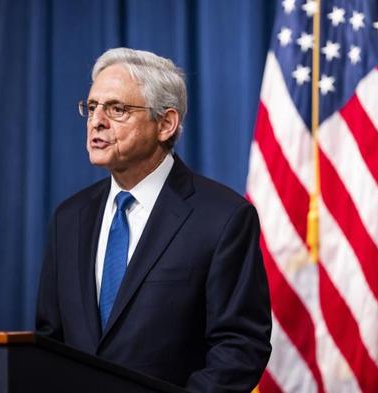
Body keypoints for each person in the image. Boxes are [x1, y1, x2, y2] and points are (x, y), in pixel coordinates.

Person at [36, 47, 271, 392]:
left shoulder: (223, 218)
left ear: (165, 124)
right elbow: (48, 340)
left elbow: (240, 347)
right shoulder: (69, 218)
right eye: (91, 107)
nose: (96, 121)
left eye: (117, 109)